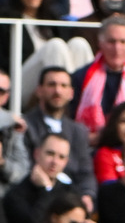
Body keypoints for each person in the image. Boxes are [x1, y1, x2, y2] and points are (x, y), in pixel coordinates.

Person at [69, 19, 125, 141]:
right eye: (111, 41)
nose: (117, 48)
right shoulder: (81, 76)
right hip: (88, 144)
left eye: (123, 42)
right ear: (100, 43)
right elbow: (70, 119)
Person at [22, 67, 95, 204]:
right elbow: (23, 168)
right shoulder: (25, 126)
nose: (58, 91)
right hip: (35, 197)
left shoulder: (78, 131)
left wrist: (87, 195)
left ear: (71, 93)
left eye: (63, 86)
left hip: (72, 199)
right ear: (39, 90)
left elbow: (86, 173)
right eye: (52, 85)